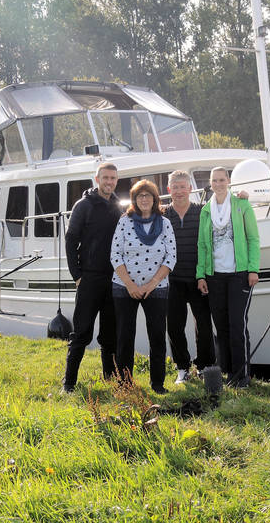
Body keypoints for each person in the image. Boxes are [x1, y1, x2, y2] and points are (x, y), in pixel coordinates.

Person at [110, 180, 176, 394]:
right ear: (135, 200)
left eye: (148, 195)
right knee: (124, 337)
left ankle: (157, 384)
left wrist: (152, 284)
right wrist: (130, 284)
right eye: (140, 196)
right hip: (124, 287)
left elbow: (171, 256)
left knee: (157, 335)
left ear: (155, 199)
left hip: (156, 288)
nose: (145, 199)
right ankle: (125, 384)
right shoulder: (124, 222)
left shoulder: (165, 223)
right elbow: (115, 254)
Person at [196, 167, 260, 388]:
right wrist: (200, 275)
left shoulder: (242, 205)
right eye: (215, 180)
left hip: (239, 275)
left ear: (229, 181)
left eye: (222, 179)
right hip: (214, 277)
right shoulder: (206, 211)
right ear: (211, 183)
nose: (219, 183)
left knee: (237, 325)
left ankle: (242, 375)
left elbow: (253, 239)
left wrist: (253, 269)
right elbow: (202, 246)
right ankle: (228, 372)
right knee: (221, 327)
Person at [62, 162, 122, 393]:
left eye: (113, 178)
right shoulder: (83, 205)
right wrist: (77, 275)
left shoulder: (118, 205)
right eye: (105, 177)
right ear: (97, 179)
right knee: (81, 332)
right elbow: (70, 240)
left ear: (117, 180)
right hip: (89, 279)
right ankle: (68, 384)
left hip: (114, 279)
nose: (109, 182)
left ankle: (109, 379)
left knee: (110, 334)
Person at [163, 170, 217, 383]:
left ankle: (204, 366)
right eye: (174, 187)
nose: (179, 191)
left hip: (198, 278)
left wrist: (242, 196)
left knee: (203, 324)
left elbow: (224, 212)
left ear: (189, 188)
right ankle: (182, 368)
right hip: (172, 280)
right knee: (174, 326)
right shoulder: (163, 215)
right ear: (169, 190)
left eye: (182, 187)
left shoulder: (202, 212)